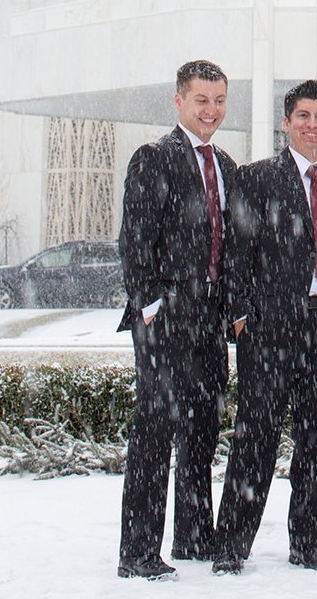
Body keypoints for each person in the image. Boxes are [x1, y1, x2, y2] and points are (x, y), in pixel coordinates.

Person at [211, 81, 317, 575]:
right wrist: (241, 316)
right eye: (303, 116)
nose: (312, 124)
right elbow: (237, 253)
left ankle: (306, 542)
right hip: (271, 331)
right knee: (256, 438)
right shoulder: (256, 178)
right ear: (286, 121)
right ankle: (231, 544)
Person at [117, 60, 236, 581]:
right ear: (179, 101)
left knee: (203, 428)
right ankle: (137, 551)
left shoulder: (228, 166)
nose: (210, 111)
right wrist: (151, 305)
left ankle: (192, 534)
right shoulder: (154, 158)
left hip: (211, 317)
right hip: (166, 317)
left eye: (217, 101)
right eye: (200, 101)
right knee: (153, 433)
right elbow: (134, 241)